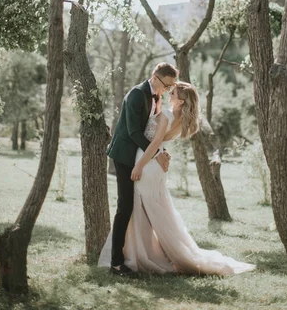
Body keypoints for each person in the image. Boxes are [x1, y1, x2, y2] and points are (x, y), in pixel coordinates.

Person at [100, 81, 256, 277]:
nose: (169, 94)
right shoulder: (182, 120)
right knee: (154, 211)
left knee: (140, 211)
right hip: (157, 165)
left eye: (173, 93)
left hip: (146, 162)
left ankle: (138, 256)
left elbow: (155, 142)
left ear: (181, 101)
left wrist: (139, 165)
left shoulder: (166, 115)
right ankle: (146, 253)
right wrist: (161, 154)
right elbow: (162, 143)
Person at [106, 62, 179, 276]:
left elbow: (151, 133)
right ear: (156, 77)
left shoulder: (155, 96)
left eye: (170, 87)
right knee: (125, 207)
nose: (167, 90)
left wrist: (160, 151)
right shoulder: (137, 94)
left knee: (139, 207)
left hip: (139, 156)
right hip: (124, 156)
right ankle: (116, 263)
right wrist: (156, 154)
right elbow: (133, 132)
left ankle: (143, 254)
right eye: (166, 85)